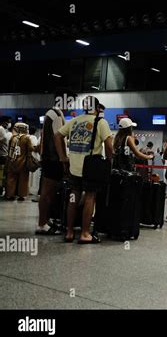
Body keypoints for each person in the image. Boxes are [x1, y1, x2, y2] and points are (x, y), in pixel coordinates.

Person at [55, 96, 113, 244]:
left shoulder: (74, 121)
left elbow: (57, 136)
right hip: (91, 168)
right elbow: (109, 145)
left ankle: (69, 232)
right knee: (90, 197)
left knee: (73, 197)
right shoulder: (101, 122)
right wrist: (109, 160)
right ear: (98, 107)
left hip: (73, 167)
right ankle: (85, 233)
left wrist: (63, 157)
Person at [36, 91, 76, 235]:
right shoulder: (56, 115)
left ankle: (45, 221)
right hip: (53, 159)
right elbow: (58, 139)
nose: (71, 105)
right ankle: (42, 224)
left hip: (49, 158)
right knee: (47, 192)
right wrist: (63, 159)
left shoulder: (51, 114)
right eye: (70, 101)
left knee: (48, 192)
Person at [5, 123, 35, 201]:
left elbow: (9, 150)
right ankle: (21, 195)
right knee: (23, 179)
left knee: (11, 178)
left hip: (12, 161)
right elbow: (30, 149)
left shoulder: (13, 138)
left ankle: (10, 195)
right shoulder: (26, 138)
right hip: (23, 162)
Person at [0, 116, 13, 196]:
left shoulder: (4, 130)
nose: (9, 124)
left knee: (3, 175)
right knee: (2, 175)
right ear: (3, 121)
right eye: (8, 122)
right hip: (2, 155)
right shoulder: (1, 129)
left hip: (4, 154)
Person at [27, 126, 41, 200]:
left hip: (28, 157)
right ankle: (32, 190)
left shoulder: (26, 137)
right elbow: (35, 148)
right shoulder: (33, 137)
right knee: (34, 175)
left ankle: (27, 189)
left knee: (28, 174)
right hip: (33, 157)